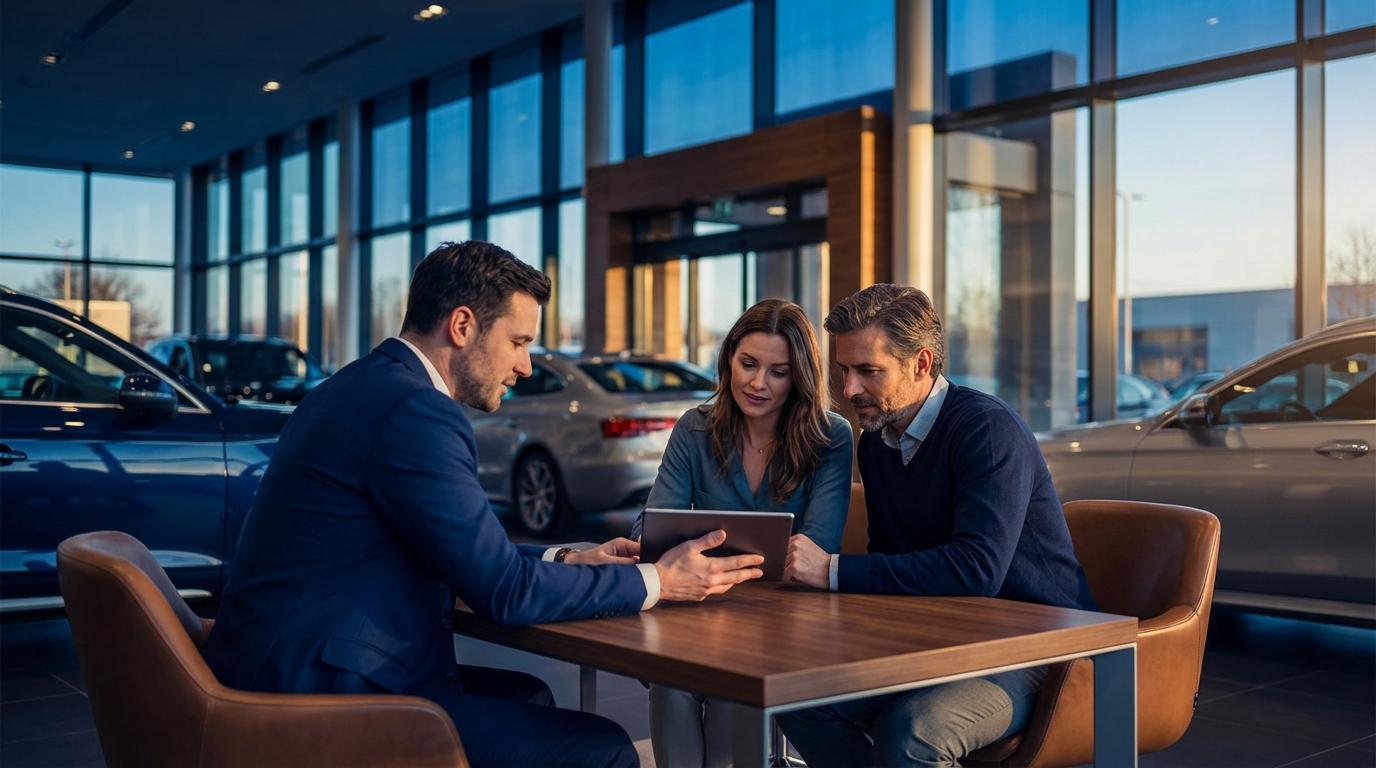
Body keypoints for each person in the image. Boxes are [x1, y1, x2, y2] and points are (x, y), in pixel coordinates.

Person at [202, 241, 765, 768]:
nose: (524, 366)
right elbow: (503, 592)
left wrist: (568, 560)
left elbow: (462, 550)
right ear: (463, 325)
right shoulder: (417, 412)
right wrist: (660, 581)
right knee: (607, 750)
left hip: (283, 668)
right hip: (321, 699)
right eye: (518, 342)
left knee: (532, 696)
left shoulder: (354, 388)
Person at [778, 284, 1097, 768]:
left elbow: (976, 571)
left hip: (1039, 650)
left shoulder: (986, 430)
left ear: (921, 364)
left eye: (868, 371)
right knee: (799, 699)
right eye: (844, 370)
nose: (848, 390)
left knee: (914, 731)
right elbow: (892, 557)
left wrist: (833, 571)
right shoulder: (876, 444)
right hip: (947, 642)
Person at [632, 299, 854, 768]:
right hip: (702, 608)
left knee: (735, 685)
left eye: (778, 371)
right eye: (748, 364)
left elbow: (819, 546)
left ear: (799, 378)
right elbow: (649, 530)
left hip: (786, 617)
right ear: (729, 357)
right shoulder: (695, 427)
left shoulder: (830, 436)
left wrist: (698, 554)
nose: (757, 383)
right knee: (672, 679)